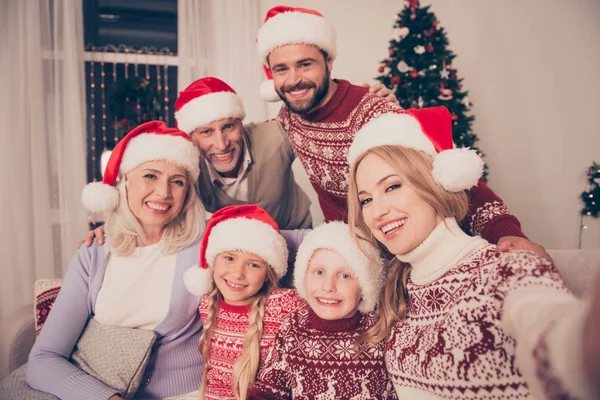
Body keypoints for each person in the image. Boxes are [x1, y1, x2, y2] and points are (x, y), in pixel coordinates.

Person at [346, 107, 596, 399]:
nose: (378, 211)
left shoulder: (506, 268)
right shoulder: (397, 295)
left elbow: (555, 333)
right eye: (366, 200)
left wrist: (581, 346)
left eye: (392, 186)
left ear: (434, 183)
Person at [256, 5, 540, 256]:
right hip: (354, 255)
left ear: (329, 62)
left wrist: (504, 232)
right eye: (281, 69)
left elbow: (450, 176)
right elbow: (248, 141)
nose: (293, 80)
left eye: (305, 64)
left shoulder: (372, 112)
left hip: (409, 250)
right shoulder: (289, 118)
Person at [79, 77, 396, 246]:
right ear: (192, 137)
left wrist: (372, 103)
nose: (220, 143)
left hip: (297, 240)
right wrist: (116, 227)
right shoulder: (186, 166)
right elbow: (157, 200)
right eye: (206, 132)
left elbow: (323, 121)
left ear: (240, 124)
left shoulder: (276, 135)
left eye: (228, 127)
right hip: (239, 252)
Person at [26, 121, 206, 400]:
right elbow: (44, 359)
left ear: (187, 193)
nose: (163, 193)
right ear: (125, 181)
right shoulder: (95, 251)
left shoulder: (208, 242)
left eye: (177, 181)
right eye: (150, 176)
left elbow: (280, 239)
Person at [248, 221, 396, 399]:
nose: (328, 286)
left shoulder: (379, 331)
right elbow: (269, 387)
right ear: (304, 277)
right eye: (319, 272)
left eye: (344, 276)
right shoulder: (293, 326)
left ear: (365, 287)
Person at [182, 205, 305, 400]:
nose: (238, 274)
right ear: (213, 263)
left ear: (268, 275)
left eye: (254, 265)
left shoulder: (284, 304)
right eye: (229, 258)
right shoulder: (207, 304)